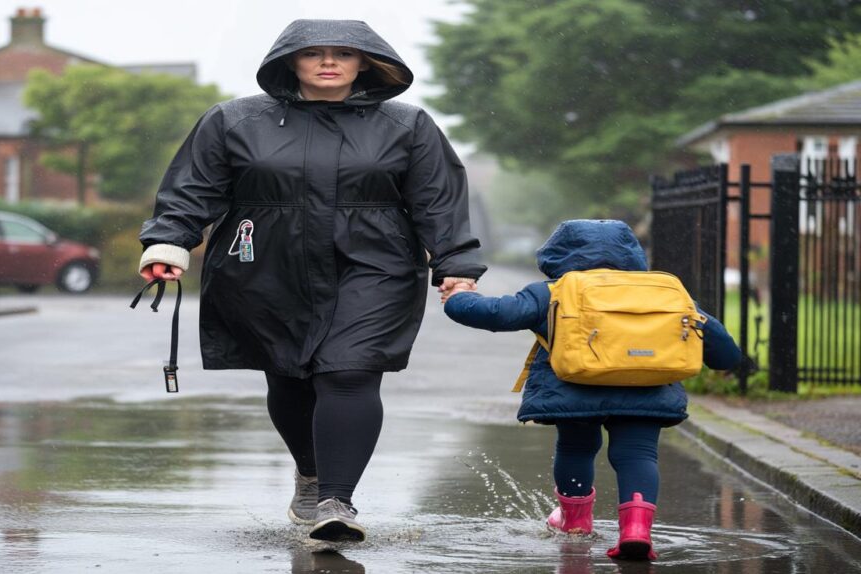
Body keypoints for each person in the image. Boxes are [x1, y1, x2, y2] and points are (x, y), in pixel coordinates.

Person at [137, 19, 485, 543]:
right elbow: (193, 189)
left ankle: (336, 501)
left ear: (364, 62)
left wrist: (455, 264)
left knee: (350, 370)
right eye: (313, 53)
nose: (328, 62)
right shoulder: (234, 120)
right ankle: (310, 472)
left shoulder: (407, 125)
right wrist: (169, 243)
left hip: (375, 262)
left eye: (342, 53)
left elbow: (438, 199)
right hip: (266, 264)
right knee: (288, 374)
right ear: (289, 61)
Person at [442, 219, 741, 561]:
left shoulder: (555, 291)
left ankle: (575, 523)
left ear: (558, 254)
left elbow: (496, 314)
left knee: (576, 449)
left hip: (576, 389)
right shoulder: (664, 292)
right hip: (646, 389)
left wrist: (459, 295)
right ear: (632, 254)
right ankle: (636, 530)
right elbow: (725, 353)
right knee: (638, 454)